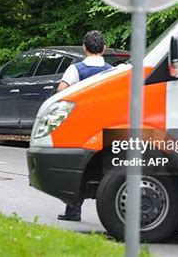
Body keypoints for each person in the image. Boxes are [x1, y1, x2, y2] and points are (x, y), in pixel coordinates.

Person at [57, 30, 112, 221]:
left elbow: (61, 92)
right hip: (106, 127)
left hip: (82, 126)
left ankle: (73, 211)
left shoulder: (75, 69)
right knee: (107, 170)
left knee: (78, 168)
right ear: (104, 49)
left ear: (84, 48)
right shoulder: (112, 71)